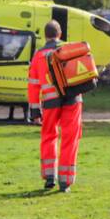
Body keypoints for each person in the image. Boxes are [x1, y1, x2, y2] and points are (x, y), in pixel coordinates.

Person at [27, 20, 82, 193]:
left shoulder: (38, 56)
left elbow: (33, 84)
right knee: (69, 138)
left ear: (45, 35)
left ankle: (50, 176)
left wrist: (35, 109)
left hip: (50, 102)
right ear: (60, 34)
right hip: (72, 100)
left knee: (49, 136)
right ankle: (65, 182)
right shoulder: (68, 49)